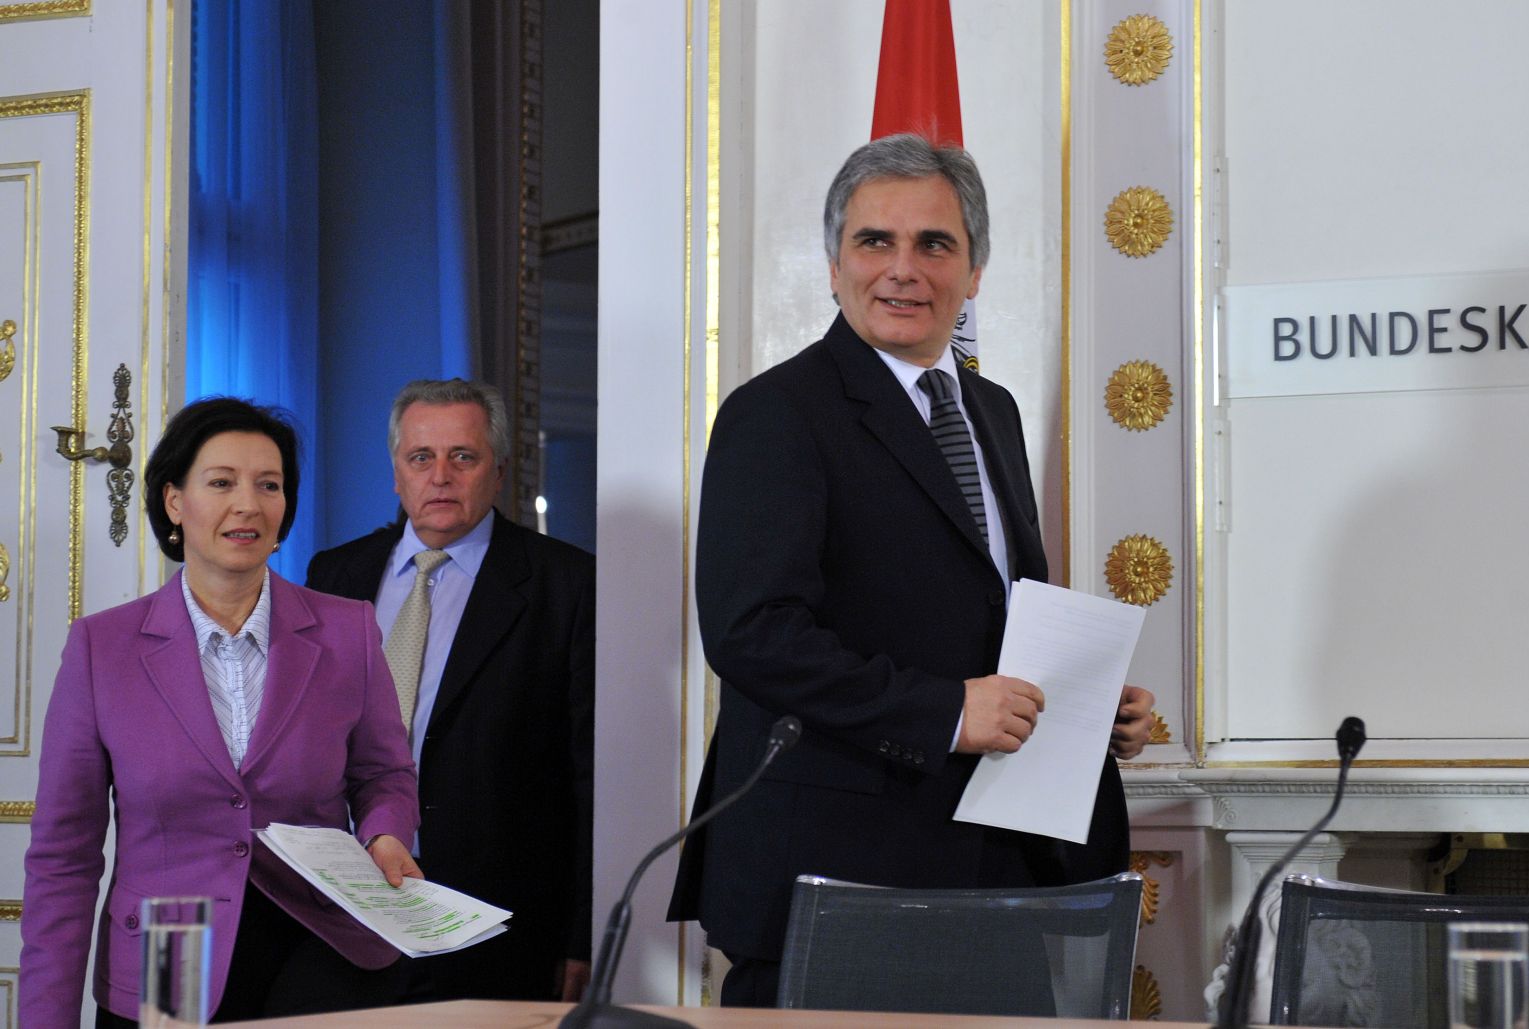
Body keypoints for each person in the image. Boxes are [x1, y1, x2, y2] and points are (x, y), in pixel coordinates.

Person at [667, 133, 1156, 1007]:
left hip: (994, 868)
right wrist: (944, 712)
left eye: (935, 244)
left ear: (973, 273)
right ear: (832, 265)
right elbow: (752, 634)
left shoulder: (991, 411)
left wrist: (1083, 711)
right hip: (840, 873)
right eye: (874, 241)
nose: (904, 269)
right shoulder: (775, 413)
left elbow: (984, 614)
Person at [21, 397, 421, 1026]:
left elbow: (384, 775)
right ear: (175, 501)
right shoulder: (103, 648)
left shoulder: (347, 631)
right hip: (168, 943)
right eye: (221, 483)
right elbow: (64, 856)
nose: (248, 505)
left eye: (269, 484)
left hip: (319, 942)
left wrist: (386, 830)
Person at [305, 378, 595, 1002]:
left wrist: (581, 935)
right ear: (396, 473)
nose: (440, 476)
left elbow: (587, 775)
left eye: (462, 457)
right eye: (421, 458)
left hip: (497, 921)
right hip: (347, 907)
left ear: (498, 471)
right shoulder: (332, 574)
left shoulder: (566, 584)